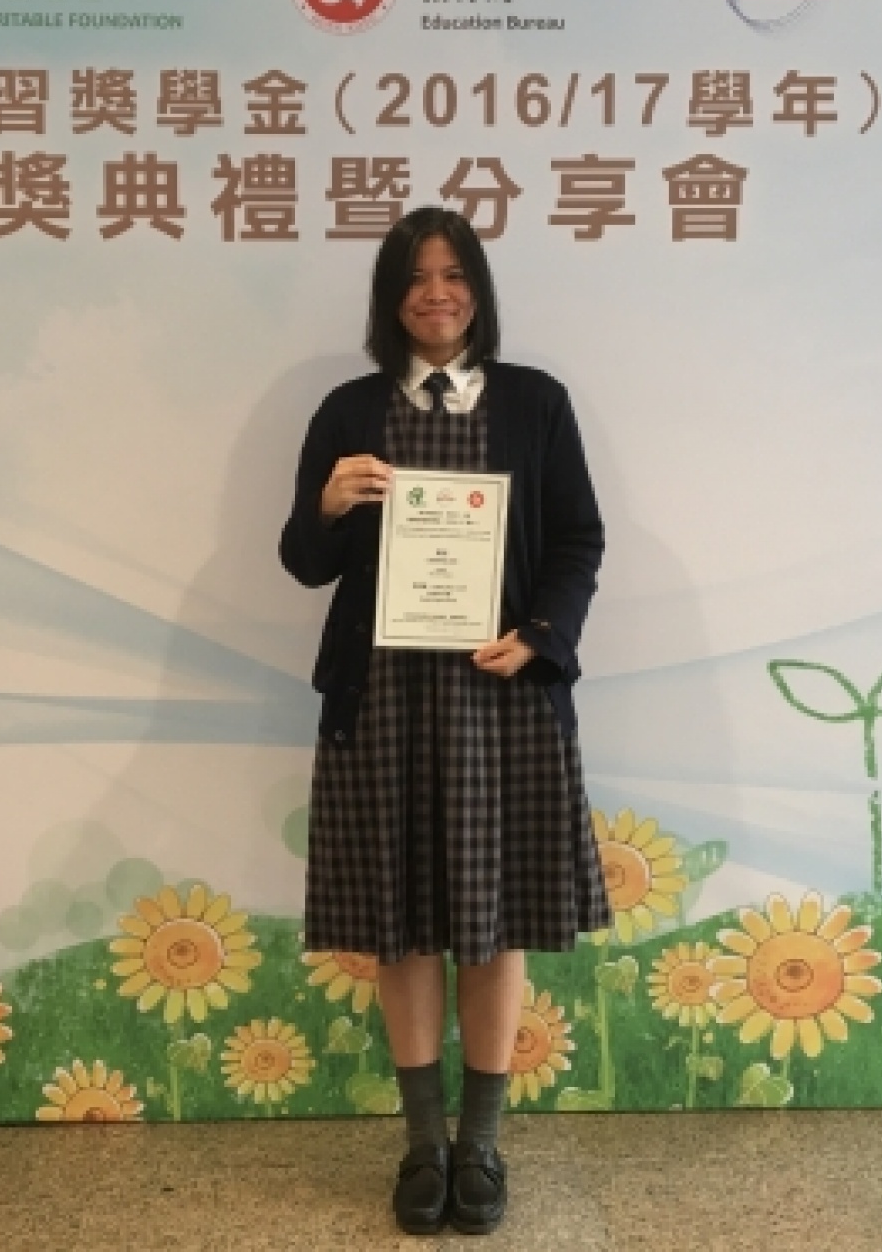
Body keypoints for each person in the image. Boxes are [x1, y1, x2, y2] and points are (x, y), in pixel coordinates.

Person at [280, 207, 609, 1236]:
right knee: (402, 926)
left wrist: (542, 635)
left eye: (454, 273)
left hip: (501, 699)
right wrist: (327, 506)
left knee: (493, 924)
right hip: (382, 699)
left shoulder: (535, 402)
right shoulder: (347, 410)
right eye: (416, 277)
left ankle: (482, 1146)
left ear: (478, 290)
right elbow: (304, 562)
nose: (437, 294)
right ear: (391, 296)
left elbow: (579, 539)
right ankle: (423, 1146)